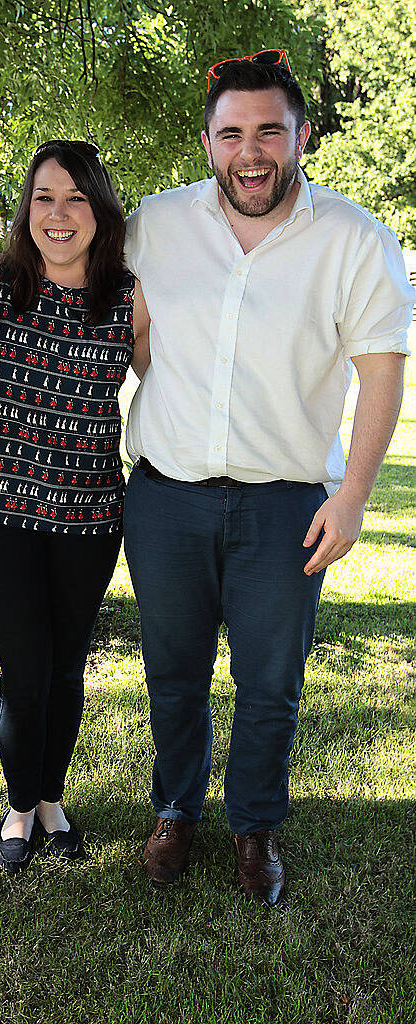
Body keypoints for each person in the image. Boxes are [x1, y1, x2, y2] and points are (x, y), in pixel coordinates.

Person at [123, 50, 413, 905]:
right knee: (171, 670)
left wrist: (353, 497)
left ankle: (252, 828)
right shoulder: (157, 223)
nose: (250, 152)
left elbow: (381, 372)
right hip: (166, 497)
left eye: (268, 132)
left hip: (285, 504)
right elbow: (136, 332)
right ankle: (175, 810)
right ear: (206, 142)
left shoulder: (355, 239)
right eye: (231, 134)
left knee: (269, 681)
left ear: (300, 135)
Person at [0, 140, 150, 872]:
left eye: (75, 198)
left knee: (66, 665)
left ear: (100, 209)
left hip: (88, 515)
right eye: (43, 197)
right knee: (24, 662)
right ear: (25, 208)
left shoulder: (130, 296)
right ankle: (17, 802)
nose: (58, 214)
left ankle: (49, 800)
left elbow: (177, 387)